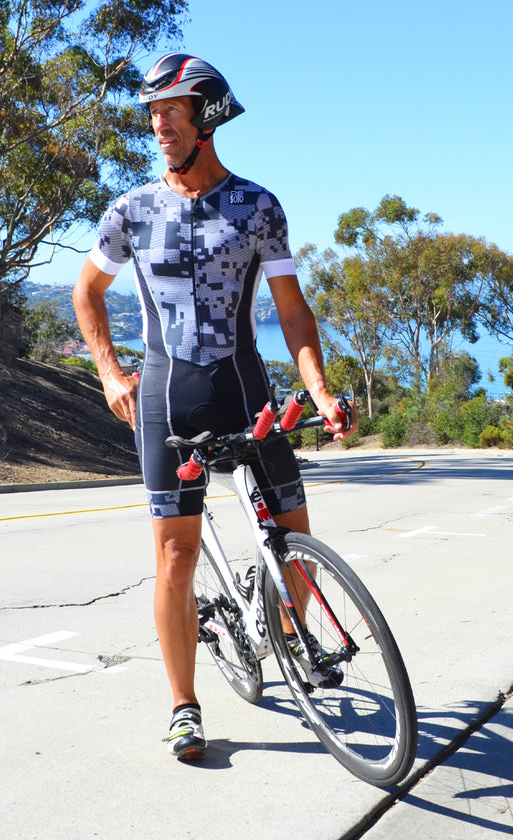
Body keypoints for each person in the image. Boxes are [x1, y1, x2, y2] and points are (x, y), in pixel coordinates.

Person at [73, 53, 357, 761]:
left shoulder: (258, 207)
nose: (158, 124)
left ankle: (289, 637)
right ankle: (184, 706)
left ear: (207, 117)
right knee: (176, 556)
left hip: (244, 389)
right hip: (167, 396)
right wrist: (110, 374)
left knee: (293, 528)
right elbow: (87, 293)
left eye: (171, 110)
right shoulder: (131, 210)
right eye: (152, 113)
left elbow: (292, 311)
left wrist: (319, 388)